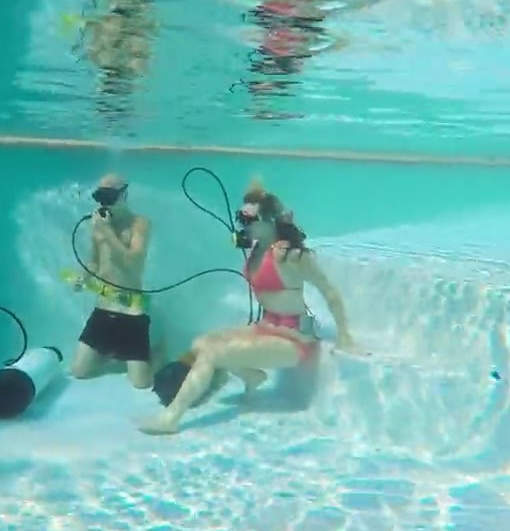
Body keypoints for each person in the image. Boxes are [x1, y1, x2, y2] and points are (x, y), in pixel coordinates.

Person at [138, 181, 356, 435]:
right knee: (201, 343)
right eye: (241, 219)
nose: (243, 225)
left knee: (213, 354)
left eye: (249, 220)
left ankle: (171, 418)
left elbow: (329, 291)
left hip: (294, 338)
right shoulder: (257, 250)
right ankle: (252, 376)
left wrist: (344, 334)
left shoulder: (290, 256)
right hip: (267, 327)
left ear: (270, 221)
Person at [68, 174, 156, 389]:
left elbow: (133, 262)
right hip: (104, 307)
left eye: (110, 196)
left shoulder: (140, 224)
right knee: (78, 371)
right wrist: (82, 277)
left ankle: (157, 352)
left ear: (124, 195)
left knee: (141, 383)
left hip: (131, 310)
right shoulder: (97, 225)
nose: (104, 203)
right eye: (100, 196)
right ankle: (113, 352)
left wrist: (106, 231)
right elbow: (94, 261)